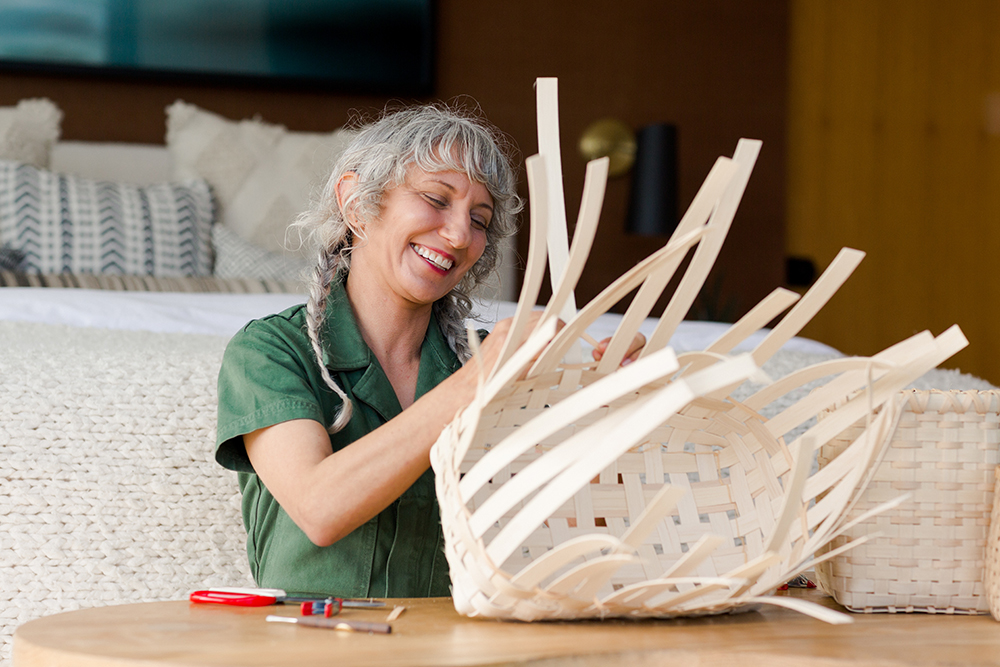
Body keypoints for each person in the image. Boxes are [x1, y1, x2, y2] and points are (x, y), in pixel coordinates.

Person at [215, 104, 642, 599]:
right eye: (437, 199)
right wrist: (477, 380)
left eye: (479, 220)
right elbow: (319, 508)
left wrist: (617, 401)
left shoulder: (494, 363)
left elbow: (572, 526)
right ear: (356, 203)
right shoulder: (269, 352)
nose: (460, 235)